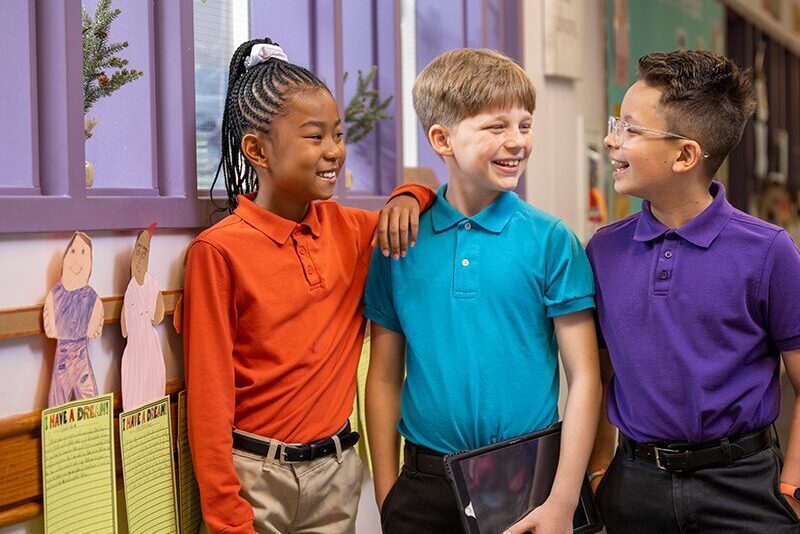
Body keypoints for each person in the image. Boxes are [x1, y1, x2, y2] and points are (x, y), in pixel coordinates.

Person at [182, 38, 436, 534]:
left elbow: (431, 198)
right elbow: (210, 400)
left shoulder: (353, 230)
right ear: (257, 150)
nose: (335, 152)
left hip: (337, 471)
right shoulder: (218, 252)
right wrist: (227, 517)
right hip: (255, 476)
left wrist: (409, 193)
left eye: (338, 135)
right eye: (315, 137)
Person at [364, 48, 601, 534]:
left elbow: (585, 378)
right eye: (497, 127)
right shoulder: (400, 242)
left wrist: (563, 499)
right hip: (423, 482)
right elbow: (384, 378)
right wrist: (390, 498)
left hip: (527, 483)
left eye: (525, 125)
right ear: (441, 138)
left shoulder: (550, 240)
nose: (517, 141)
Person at [586, 50, 800, 533]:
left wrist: (793, 487)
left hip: (747, 489)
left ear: (685, 155)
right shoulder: (602, 252)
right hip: (635, 487)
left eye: (630, 130)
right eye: (615, 123)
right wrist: (600, 472)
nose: (610, 140)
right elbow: (600, 378)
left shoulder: (770, 253)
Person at [44, 231, 104, 407]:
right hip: (62, 356)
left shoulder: (91, 297)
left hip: (80, 355)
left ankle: (95, 433)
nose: (77, 259)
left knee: (90, 402)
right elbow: (50, 329)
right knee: (57, 403)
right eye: (73, 251)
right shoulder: (55, 294)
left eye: (83, 253)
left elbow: (95, 331)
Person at [121, 224, 166, 411]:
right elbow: (124, 330)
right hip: (135, 344)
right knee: (134, 387)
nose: (140, 257)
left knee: (152, 385)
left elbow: (158, 316)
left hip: (149, 342)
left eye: (144, 252)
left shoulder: (153, 284)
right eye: (137, 251)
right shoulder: (130, 289)